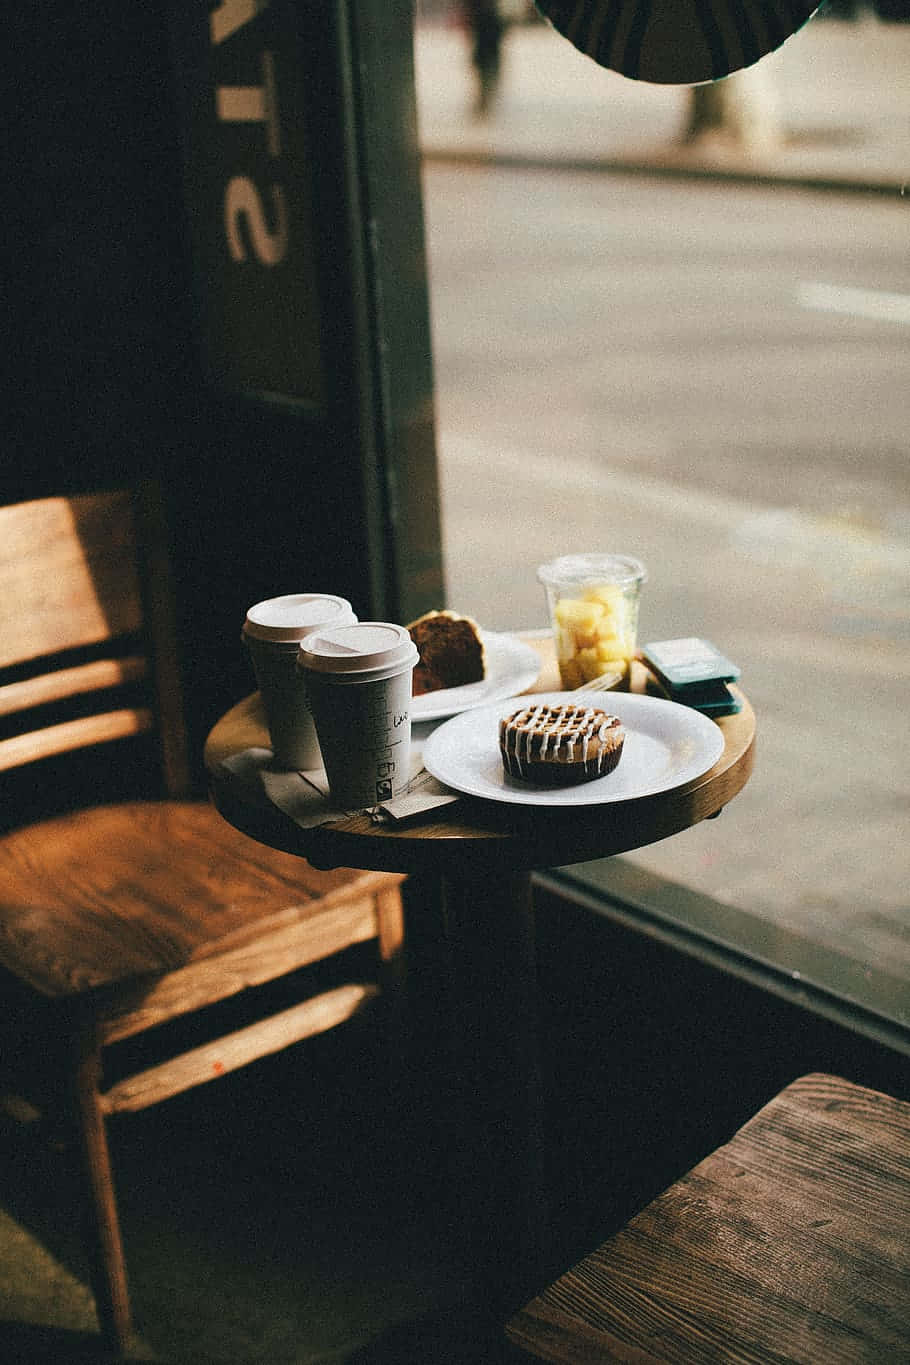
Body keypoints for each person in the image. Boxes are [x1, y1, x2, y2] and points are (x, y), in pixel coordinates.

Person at [463, 0, 505, 116]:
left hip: (487, 49)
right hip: (486, 49)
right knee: (486, 75)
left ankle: (484, 103)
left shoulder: (485, 16)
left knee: (486, 75)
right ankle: (484, 103)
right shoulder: (486, 15)